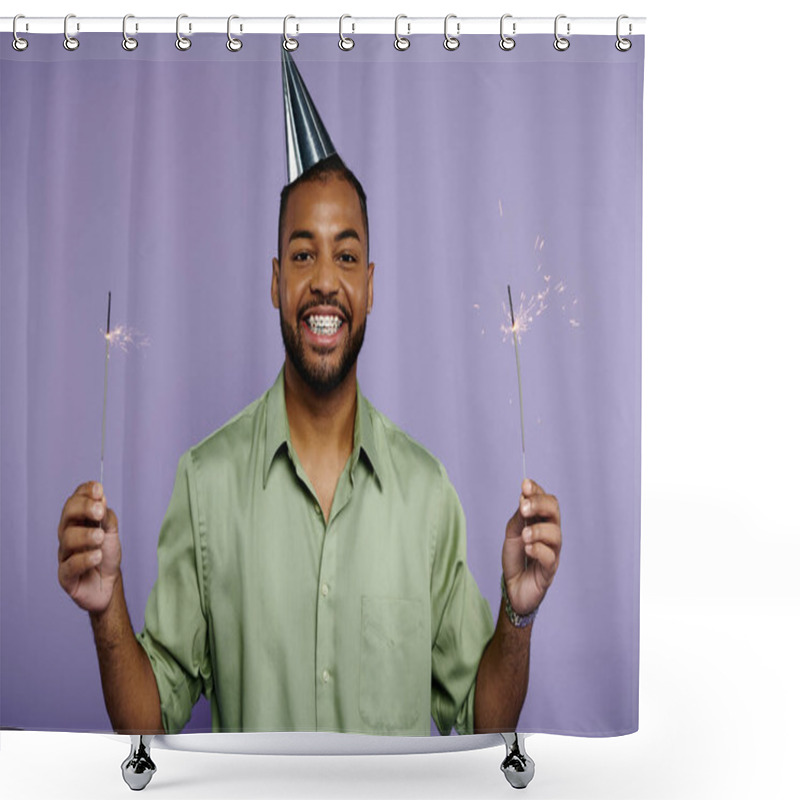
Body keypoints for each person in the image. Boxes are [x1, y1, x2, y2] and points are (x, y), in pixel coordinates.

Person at [56, 53, 562, 737]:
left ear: (372, 286)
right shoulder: (205, 484)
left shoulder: (427, 494)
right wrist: (105, 605)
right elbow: (148, 723)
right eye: (303, 254)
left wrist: (518, 612)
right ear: (275, 282)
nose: (325, 280)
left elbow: (481, 721)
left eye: (346, 255)